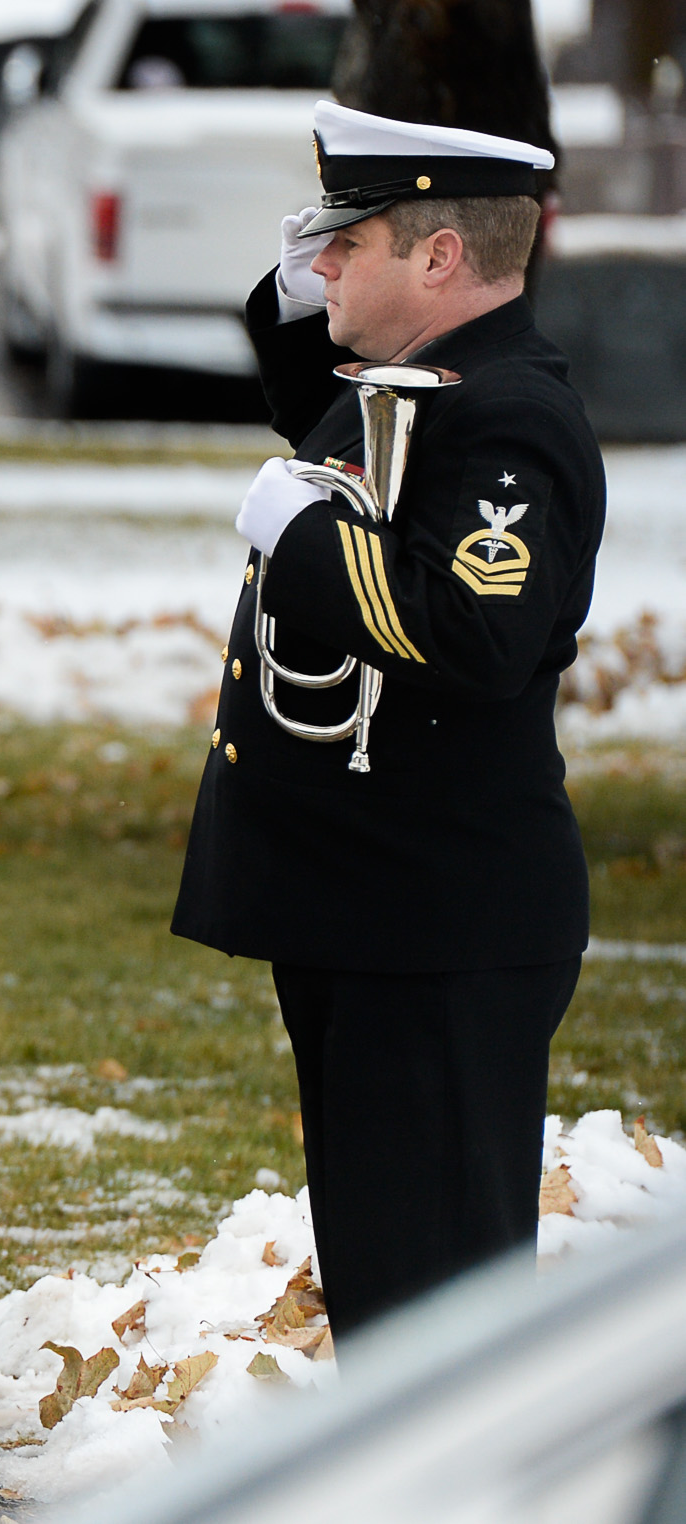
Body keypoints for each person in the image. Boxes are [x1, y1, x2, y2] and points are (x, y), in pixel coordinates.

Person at [176, 101, 607, 1336]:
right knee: (383, 1284)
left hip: (439, 928)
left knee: (431, 1312)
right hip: (373, 915)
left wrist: (302, 536)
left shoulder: (507, 417)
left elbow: (467, 635)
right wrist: (297, 283)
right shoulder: (417, 385)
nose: (319, 269)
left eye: (345, 245)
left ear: (438, 259)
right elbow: (311, 383)